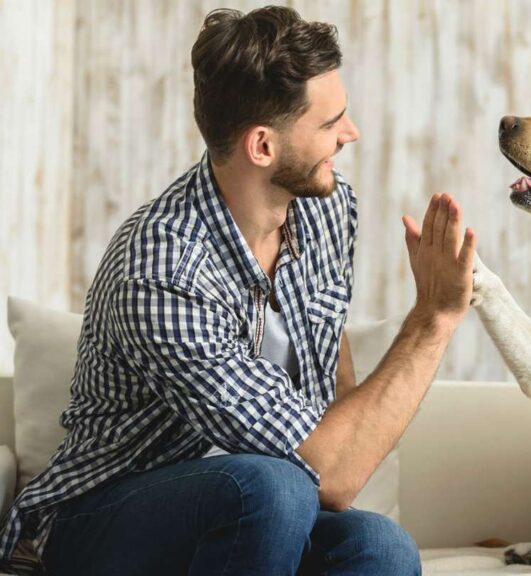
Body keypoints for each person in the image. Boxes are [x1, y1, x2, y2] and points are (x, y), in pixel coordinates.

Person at [0, 6, 475, 575]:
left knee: (381, 547)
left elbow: (333, 409)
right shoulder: (162, 267)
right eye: (330, 124)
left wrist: (337, 451)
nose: (351, 134)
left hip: (264, 514)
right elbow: (331, 471)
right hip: (103, 519)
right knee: (269, 487)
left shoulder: (327, 209)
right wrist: (434, 318)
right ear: (262, 147)